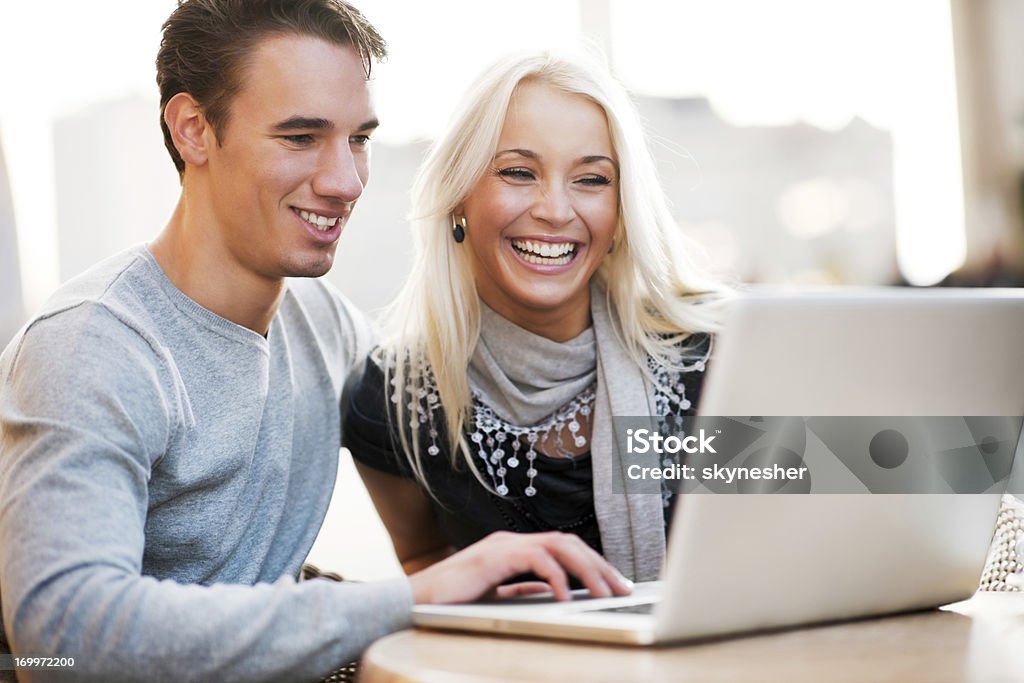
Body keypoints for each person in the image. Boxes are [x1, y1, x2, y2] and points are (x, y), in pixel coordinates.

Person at [0, 3, 629, 682]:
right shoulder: (92, 345)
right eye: (301, 137)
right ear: (193, 130)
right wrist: (403, 600)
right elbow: (60, 637)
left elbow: (482, 397)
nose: (345, 181)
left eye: (357, 138)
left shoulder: (328, 330)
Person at [343, 52, 726, 585]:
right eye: (519, 172)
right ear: (459, 197)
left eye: (592, 180)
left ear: (621, 211)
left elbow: (846, 493)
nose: (555, 209)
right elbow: (422, 561)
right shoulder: (389, 399)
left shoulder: (714, 360)